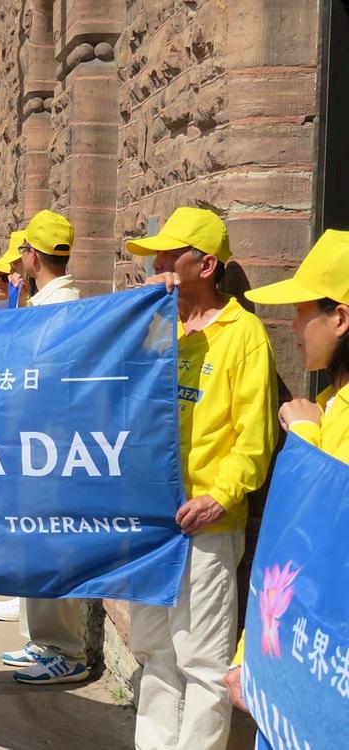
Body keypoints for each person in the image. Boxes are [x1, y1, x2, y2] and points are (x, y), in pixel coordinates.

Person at [124, 206, 278, 750]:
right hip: (152, 522)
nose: (157, 264)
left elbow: (254, 442)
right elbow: (125, 391)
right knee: (155, 650)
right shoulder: (159, 327)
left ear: (206, 264)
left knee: (203, 658)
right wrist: (150, 314)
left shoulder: (244, 335)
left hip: (205, 525)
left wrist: (221, 496)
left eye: (169, 254)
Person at [223, 228, 349, 712]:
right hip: (301, 656)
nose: (292, 327)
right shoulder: (324, 406)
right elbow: (284, 561)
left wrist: (302, 440)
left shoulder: (317, 419)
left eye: (300, 312)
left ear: (338, 319)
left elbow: (319, 533)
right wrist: (249, 653)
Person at [0, 209, 91, 685]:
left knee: (49, 547)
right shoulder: (50, 303)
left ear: (32, 256)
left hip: (50, 451)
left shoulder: (62, 306)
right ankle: (43, 640)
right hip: (37, 447)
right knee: (34, 545)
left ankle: (66, 650)